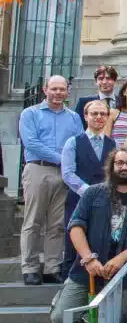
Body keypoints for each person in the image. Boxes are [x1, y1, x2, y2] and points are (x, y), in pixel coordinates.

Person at [51, 147, 127, 323]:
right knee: (62, 317)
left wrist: (121, 259)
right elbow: (76, 227)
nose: (124, 167)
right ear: (112, 166)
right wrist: (88, 258)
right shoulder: (93, 193)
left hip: (124, 275)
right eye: (119, 163)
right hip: (85, 271)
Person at [19, 75, 83, 283]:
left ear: (67, 91)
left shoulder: (74, 118)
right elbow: (31, 142)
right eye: (54, 89)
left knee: (57, 223)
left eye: (62, 89)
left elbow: (79, 142)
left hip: (64, 174)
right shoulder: (30, 113)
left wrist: (68, 164)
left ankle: (52, 266)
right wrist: (62, 159)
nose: (58, 93)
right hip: (38, 169)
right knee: (33, 221)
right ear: (45, 90)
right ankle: (30, 267)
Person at [62, 100, 118, 278]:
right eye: (94, 113)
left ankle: (99, 276)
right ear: (86, 116)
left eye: (103, 114)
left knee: (101, 237)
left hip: (105, 201)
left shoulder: (113, 145)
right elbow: (67, 173)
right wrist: (88, 192)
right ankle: (71, 277)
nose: (99, 117)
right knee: (74, 236)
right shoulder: (73, 142)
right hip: (78, 199)